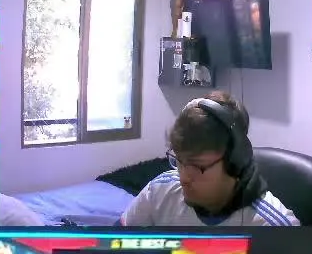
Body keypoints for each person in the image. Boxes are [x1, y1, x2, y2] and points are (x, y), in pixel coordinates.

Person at [119, 91, 298, 227]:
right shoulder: (159, 191)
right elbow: (113, 247)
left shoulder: (274, 227)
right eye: (179, 161)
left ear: (234, 163)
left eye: (198, 166)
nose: (183, 178)